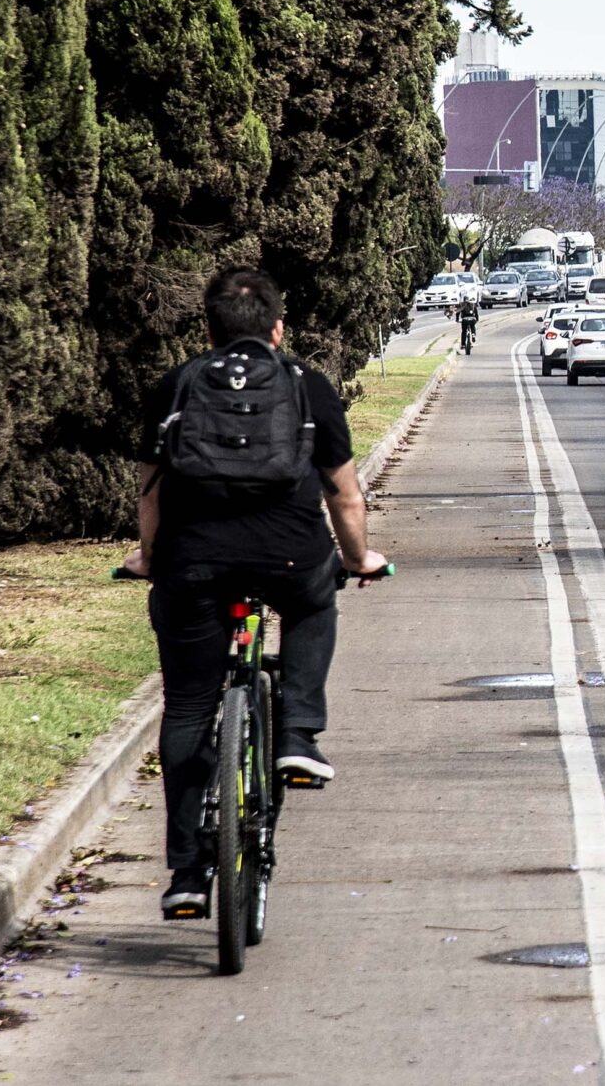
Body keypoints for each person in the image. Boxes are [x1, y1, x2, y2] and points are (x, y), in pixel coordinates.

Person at [122, 268, 387, 921]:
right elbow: (345, 495)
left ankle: (188, 873)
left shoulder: (177, 384)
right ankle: (297, 732)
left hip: (193, 561)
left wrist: (149, 557)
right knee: (315, 602)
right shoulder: (308, 386)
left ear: (209, 330)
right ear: (278, 328)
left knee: (189, 706)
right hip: (289, 553)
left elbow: (151, 493)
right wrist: (360, 558)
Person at [456, 285, 480, 355]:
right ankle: (473, 334)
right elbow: (476, 313)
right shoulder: (473, 304)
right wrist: (477, 319)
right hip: (472, 319)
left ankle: (463, 344)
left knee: (464, 331)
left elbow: (458, 312)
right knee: (473, 327)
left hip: (465, 319)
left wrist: (457, 319)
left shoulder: (461, 305)